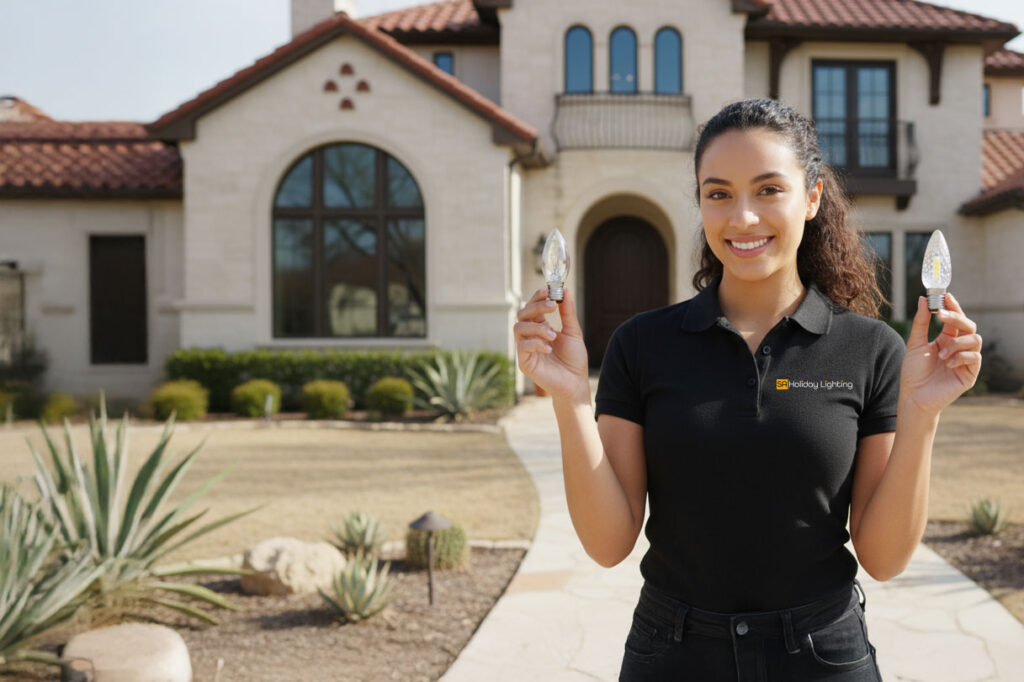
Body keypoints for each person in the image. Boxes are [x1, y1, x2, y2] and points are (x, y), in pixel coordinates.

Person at [512, 98, 982, 681]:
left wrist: (921, 414)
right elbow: (608, 543)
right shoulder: (643, 345)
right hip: (672, 654)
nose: (742, 218)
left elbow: (883, 559)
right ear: (701, 204)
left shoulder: (871, 350)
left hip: (822, 656)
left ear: (811, 198)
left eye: (767, 190)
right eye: (719, 193)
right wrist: (570, 399)